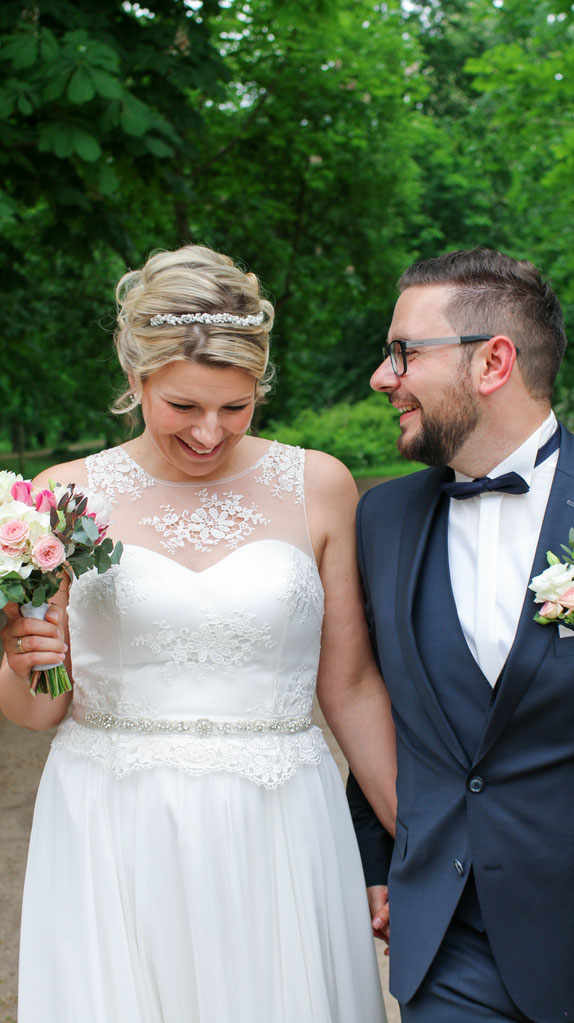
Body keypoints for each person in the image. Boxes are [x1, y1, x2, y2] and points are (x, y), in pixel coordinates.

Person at [0, 245, 395, 1023]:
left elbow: (348, 687)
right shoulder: (62, 499)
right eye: (184, 406)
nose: (211, 433)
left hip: (281, 822)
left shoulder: (320, 485)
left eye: (236, 406)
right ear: (136, 377)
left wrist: (416, 838)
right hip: (112, 818)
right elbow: (38, 708)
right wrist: (27, 660)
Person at [347, 247, 574, 1022]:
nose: (381, 376)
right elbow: (383, 702)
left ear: (493, 361)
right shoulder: (382, 520)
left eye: (403, 352)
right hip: (444, 940)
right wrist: (379, 858)